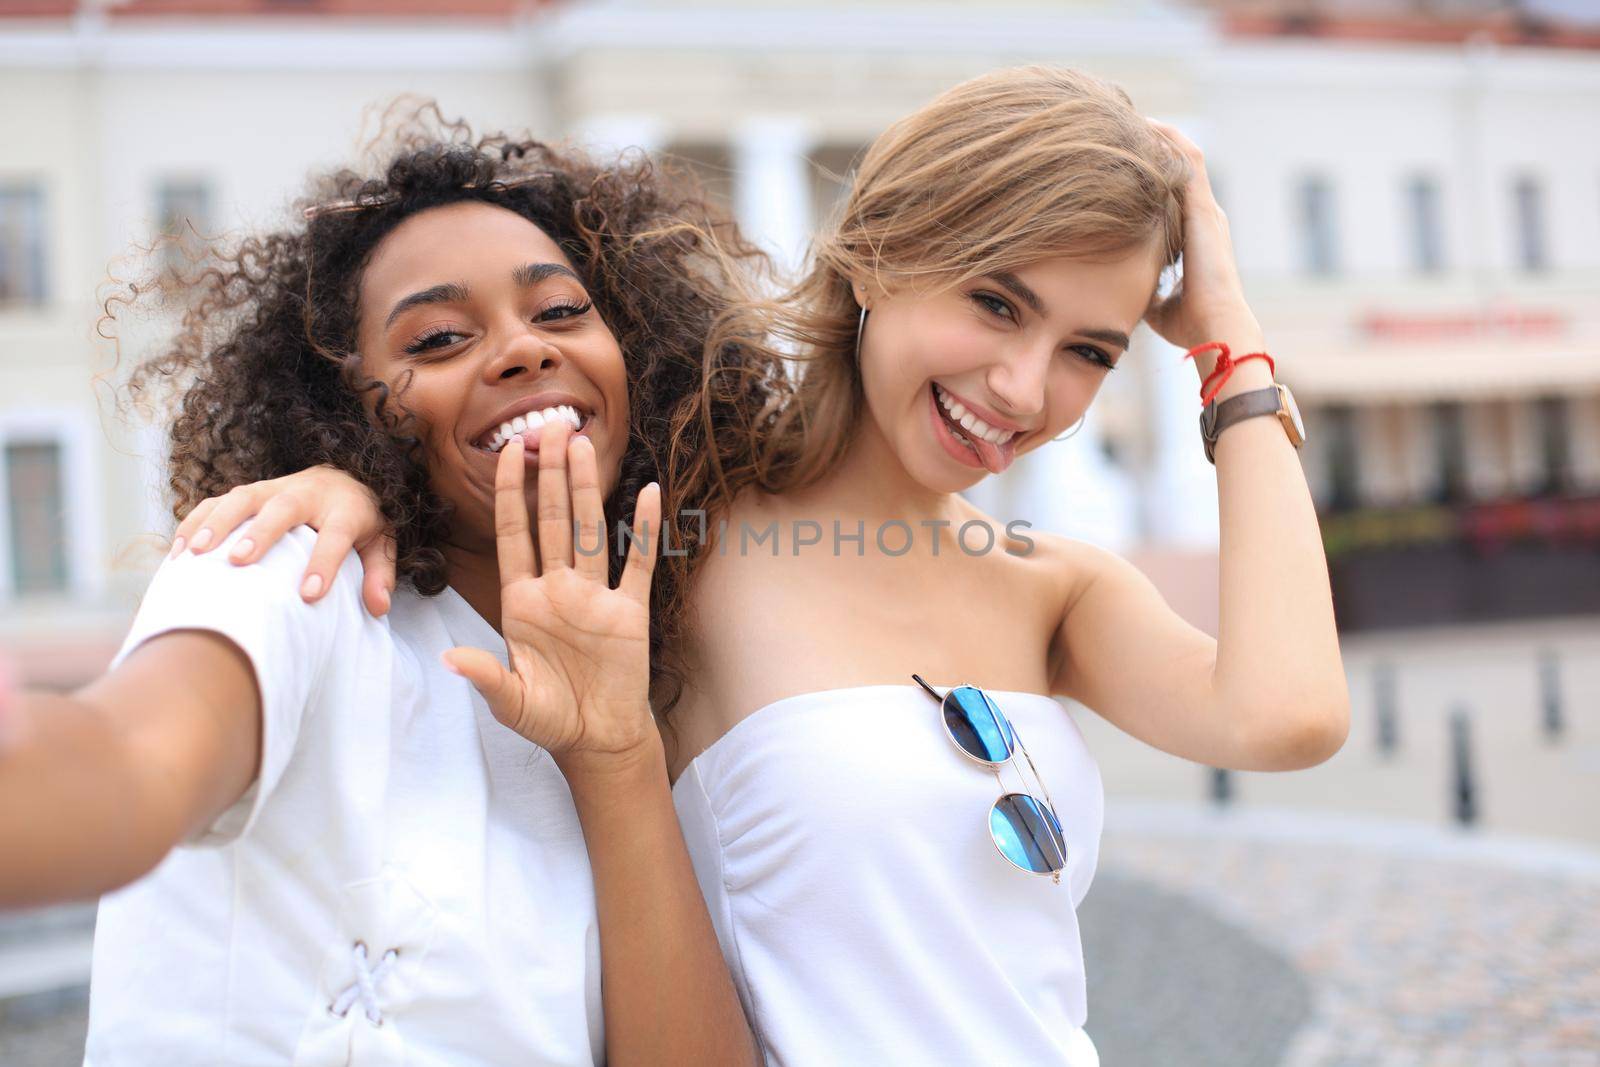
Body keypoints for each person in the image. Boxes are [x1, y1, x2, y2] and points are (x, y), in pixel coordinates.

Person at [179, 66, 1350, 1065]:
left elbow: (1287, 715)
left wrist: (1227, 345)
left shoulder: (1054, 584)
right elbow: (473, 461)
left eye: (1085, 351)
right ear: (882, 253)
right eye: (995, 303)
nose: (1022, 390)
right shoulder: (675, 536)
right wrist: (347, 486)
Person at [0, 121, 765, 1066]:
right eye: (440, 337)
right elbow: (122, 769)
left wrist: (616, 757)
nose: (523, 349)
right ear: (344, 406)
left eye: (562, 310)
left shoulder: (662, 686)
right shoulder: (294, 569)